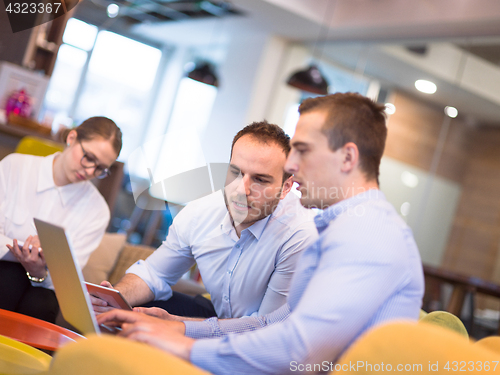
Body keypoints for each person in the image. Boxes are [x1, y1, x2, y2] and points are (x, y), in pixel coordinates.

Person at [97, 93, 425, 374]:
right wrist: (178, 326)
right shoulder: (344, 228)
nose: (292, 167)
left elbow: (299, 351)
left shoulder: (367, 236)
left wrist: (185, 346)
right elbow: (269, 325)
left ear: (348, 157)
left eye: (303, 150)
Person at [93, 121, 317, 319]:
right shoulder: (201, 213)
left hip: (274, 347)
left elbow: (265, 330)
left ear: (286, 187)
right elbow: (155, 274)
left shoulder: (299, 234)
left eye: (260, 179)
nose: (241, 189)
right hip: (219, 316)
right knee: (135, 309)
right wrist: (114, 298)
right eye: (235, 173)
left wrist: (178, 327)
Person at [0, 116, 122, 323]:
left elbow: (66, 281)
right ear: (72, 138)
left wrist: (38, 271)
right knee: (10, 278)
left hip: (42, 291)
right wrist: (25, 254)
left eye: (100, 168)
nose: (90, 171)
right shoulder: (16, 167)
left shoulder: (97, 210)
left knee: (41, 301)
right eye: (89, 157)